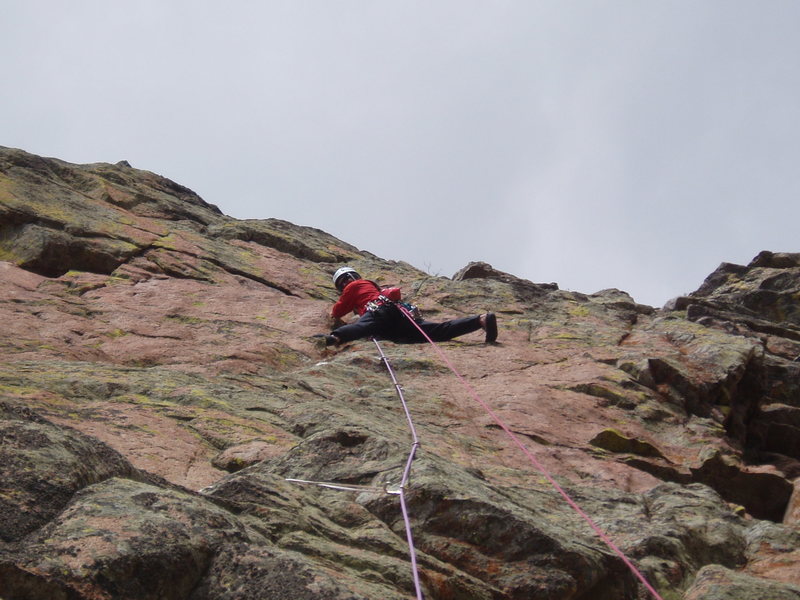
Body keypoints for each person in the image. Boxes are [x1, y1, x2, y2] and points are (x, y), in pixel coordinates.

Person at [319, 266, 498, 346]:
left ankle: (334, 339)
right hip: (398, 318)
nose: (344, 286)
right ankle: (480, 320)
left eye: (342, 283)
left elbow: (338, 311)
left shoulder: (354, 286)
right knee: (437, 332)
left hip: (379, 312)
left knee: (361, 327)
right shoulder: (371, 287)